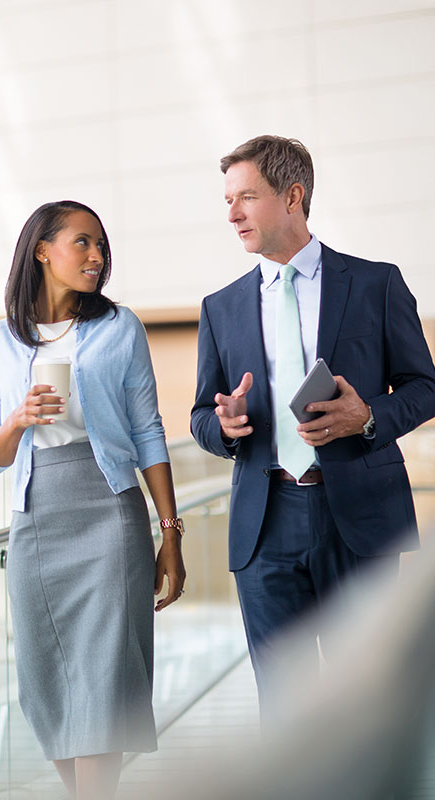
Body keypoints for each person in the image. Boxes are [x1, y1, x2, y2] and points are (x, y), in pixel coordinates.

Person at [191, 135, 435, 711]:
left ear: (293, 195)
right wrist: (223, 428)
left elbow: (426, 388)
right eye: (228, 200)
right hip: (264, 523)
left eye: (246, 197)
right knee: (285, 708)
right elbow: (202, 415)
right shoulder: (220, 307)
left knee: (373, 705)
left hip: (360, 516)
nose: (232, 214)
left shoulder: (375, 283)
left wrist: (368, 415)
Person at [0, 200, 186, 799]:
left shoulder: (120, 328)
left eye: (101, 247)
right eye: (83, 243)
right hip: (36, 516)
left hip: (110, 512)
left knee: (104, 684)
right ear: (42, 249)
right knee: (46, 686)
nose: (97, 257)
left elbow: (148, 432)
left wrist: (169, 535)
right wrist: (17, 421)